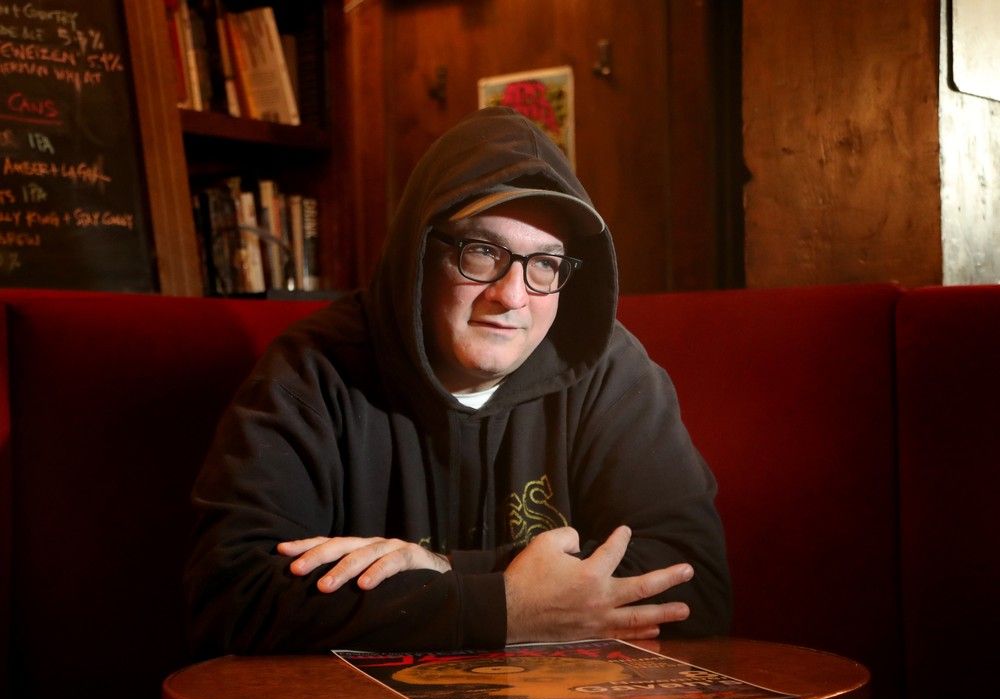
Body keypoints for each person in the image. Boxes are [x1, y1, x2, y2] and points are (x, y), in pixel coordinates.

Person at [184, 106, 731, 656]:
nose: (512, 295)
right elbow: (231, 596)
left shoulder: (610, 372)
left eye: (544, 263)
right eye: (484, 251)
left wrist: (449, 572)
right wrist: (503, 607)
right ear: (419, 254)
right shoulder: (312, 373)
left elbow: (696, 586)